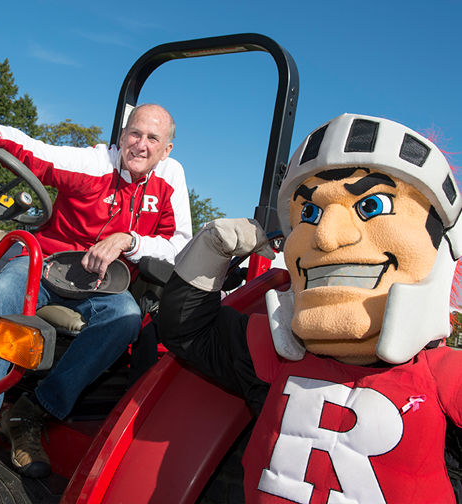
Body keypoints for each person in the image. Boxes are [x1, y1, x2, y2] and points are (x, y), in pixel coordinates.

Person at [159, 113, 462, 503]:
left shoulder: (445, 380)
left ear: (444, 246)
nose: (326, 237)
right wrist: (208, 252)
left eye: (372, 205)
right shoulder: (275, 352)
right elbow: (186, 330)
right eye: (310, 213)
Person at [0, 103, 192, 494]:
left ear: (167, 149)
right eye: (134, 133)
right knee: (7, 287)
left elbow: (180, 246)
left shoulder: (171, 178)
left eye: (153, 139)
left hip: (101, 285)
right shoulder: (93, 165)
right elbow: (33, 151)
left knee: (127, 317)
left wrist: (130, 241)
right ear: (122, 135)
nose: (141, 145)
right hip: (44, 266)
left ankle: (34, 411)